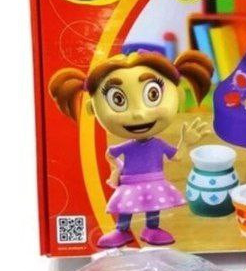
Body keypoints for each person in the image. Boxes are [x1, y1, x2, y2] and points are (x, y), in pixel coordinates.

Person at [49, 49, 213, 246]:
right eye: (118, 100)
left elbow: (176, 157)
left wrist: (185, 142)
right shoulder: (127, 146)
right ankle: (122, 231)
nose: (138, 114)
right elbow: (110, 153)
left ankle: (152, 228)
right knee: (125, 209)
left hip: (155, 182)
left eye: (153, 94)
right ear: (93, 108)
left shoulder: (158, 144)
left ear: (178, 96)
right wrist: (117, 169)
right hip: (129, 184)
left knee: (153, 206)